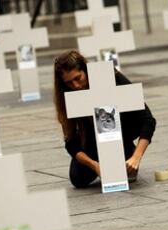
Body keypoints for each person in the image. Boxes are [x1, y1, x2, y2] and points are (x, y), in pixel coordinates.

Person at [53, 50, 156, 189]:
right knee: (78, 178)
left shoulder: (111, 77)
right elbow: (71, 142)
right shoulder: (67, 96)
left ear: (86, 71)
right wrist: (94, 165)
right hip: (92, 139)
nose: (76, 86)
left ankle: (127, 150)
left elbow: (148, 119)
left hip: (122, 130)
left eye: (78, 78)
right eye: (69, 83)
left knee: (126, 171)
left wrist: (136, 157)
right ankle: (106, 159)